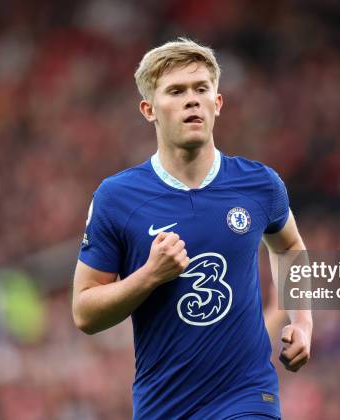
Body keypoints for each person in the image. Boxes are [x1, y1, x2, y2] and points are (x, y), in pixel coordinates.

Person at [71, 38, 312, 420]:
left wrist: (302, 321)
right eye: (176, 91)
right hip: (163, 404)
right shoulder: (117, 197)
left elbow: (289, 248)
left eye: (201, 89)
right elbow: (84, 313)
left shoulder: (260, 184)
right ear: (149, 110)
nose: (192, 99)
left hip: (247, 396)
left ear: (217, 104)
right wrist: (150, 275)